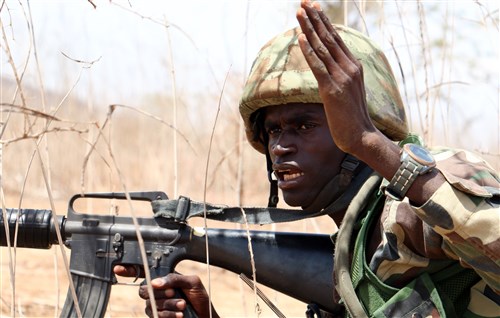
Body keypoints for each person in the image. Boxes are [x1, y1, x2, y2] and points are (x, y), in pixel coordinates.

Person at [115, 1, 500, 317]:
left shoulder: (427, 188)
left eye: (303, 126)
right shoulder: (352, 255)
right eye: (273, 131)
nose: (280, 146)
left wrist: (368, 142)